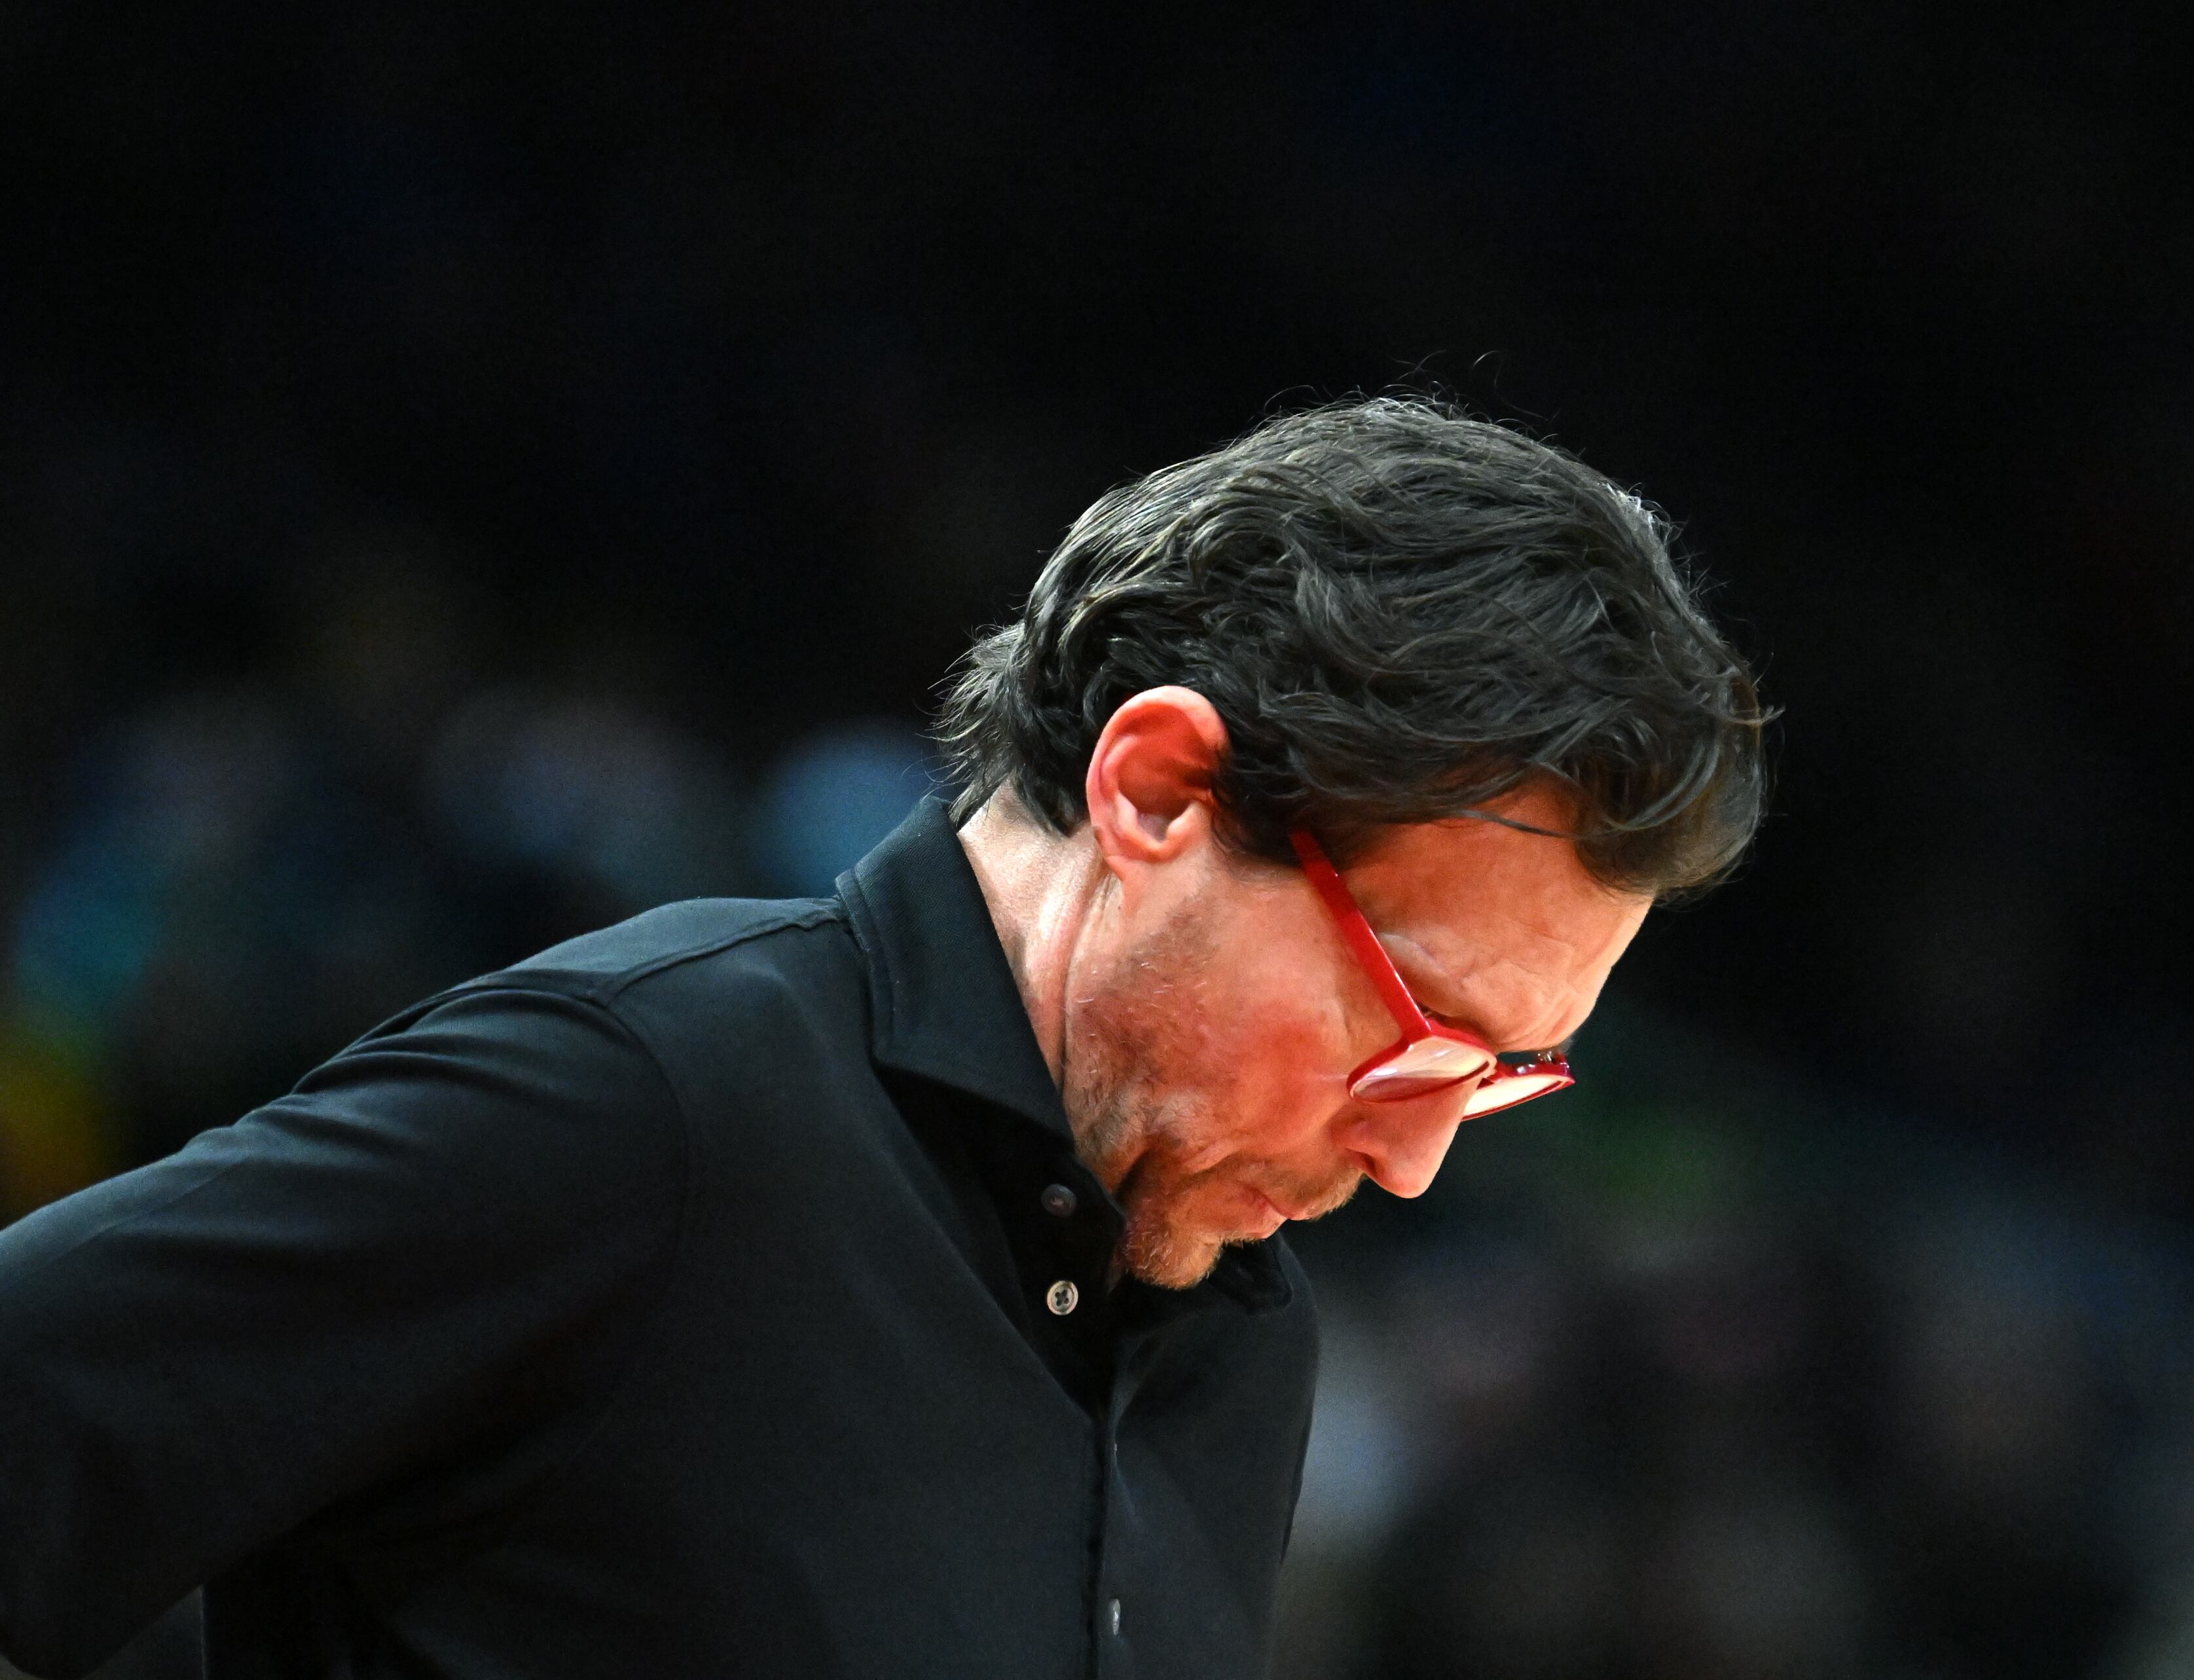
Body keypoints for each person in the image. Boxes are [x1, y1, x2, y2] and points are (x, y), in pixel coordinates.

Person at [0, 397, 1768, 1679]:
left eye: (1496, 1075)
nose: (1410, 1156)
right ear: (1156, 791)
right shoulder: (653, 1105)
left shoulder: (1243, 1332)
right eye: (1416, 1027)